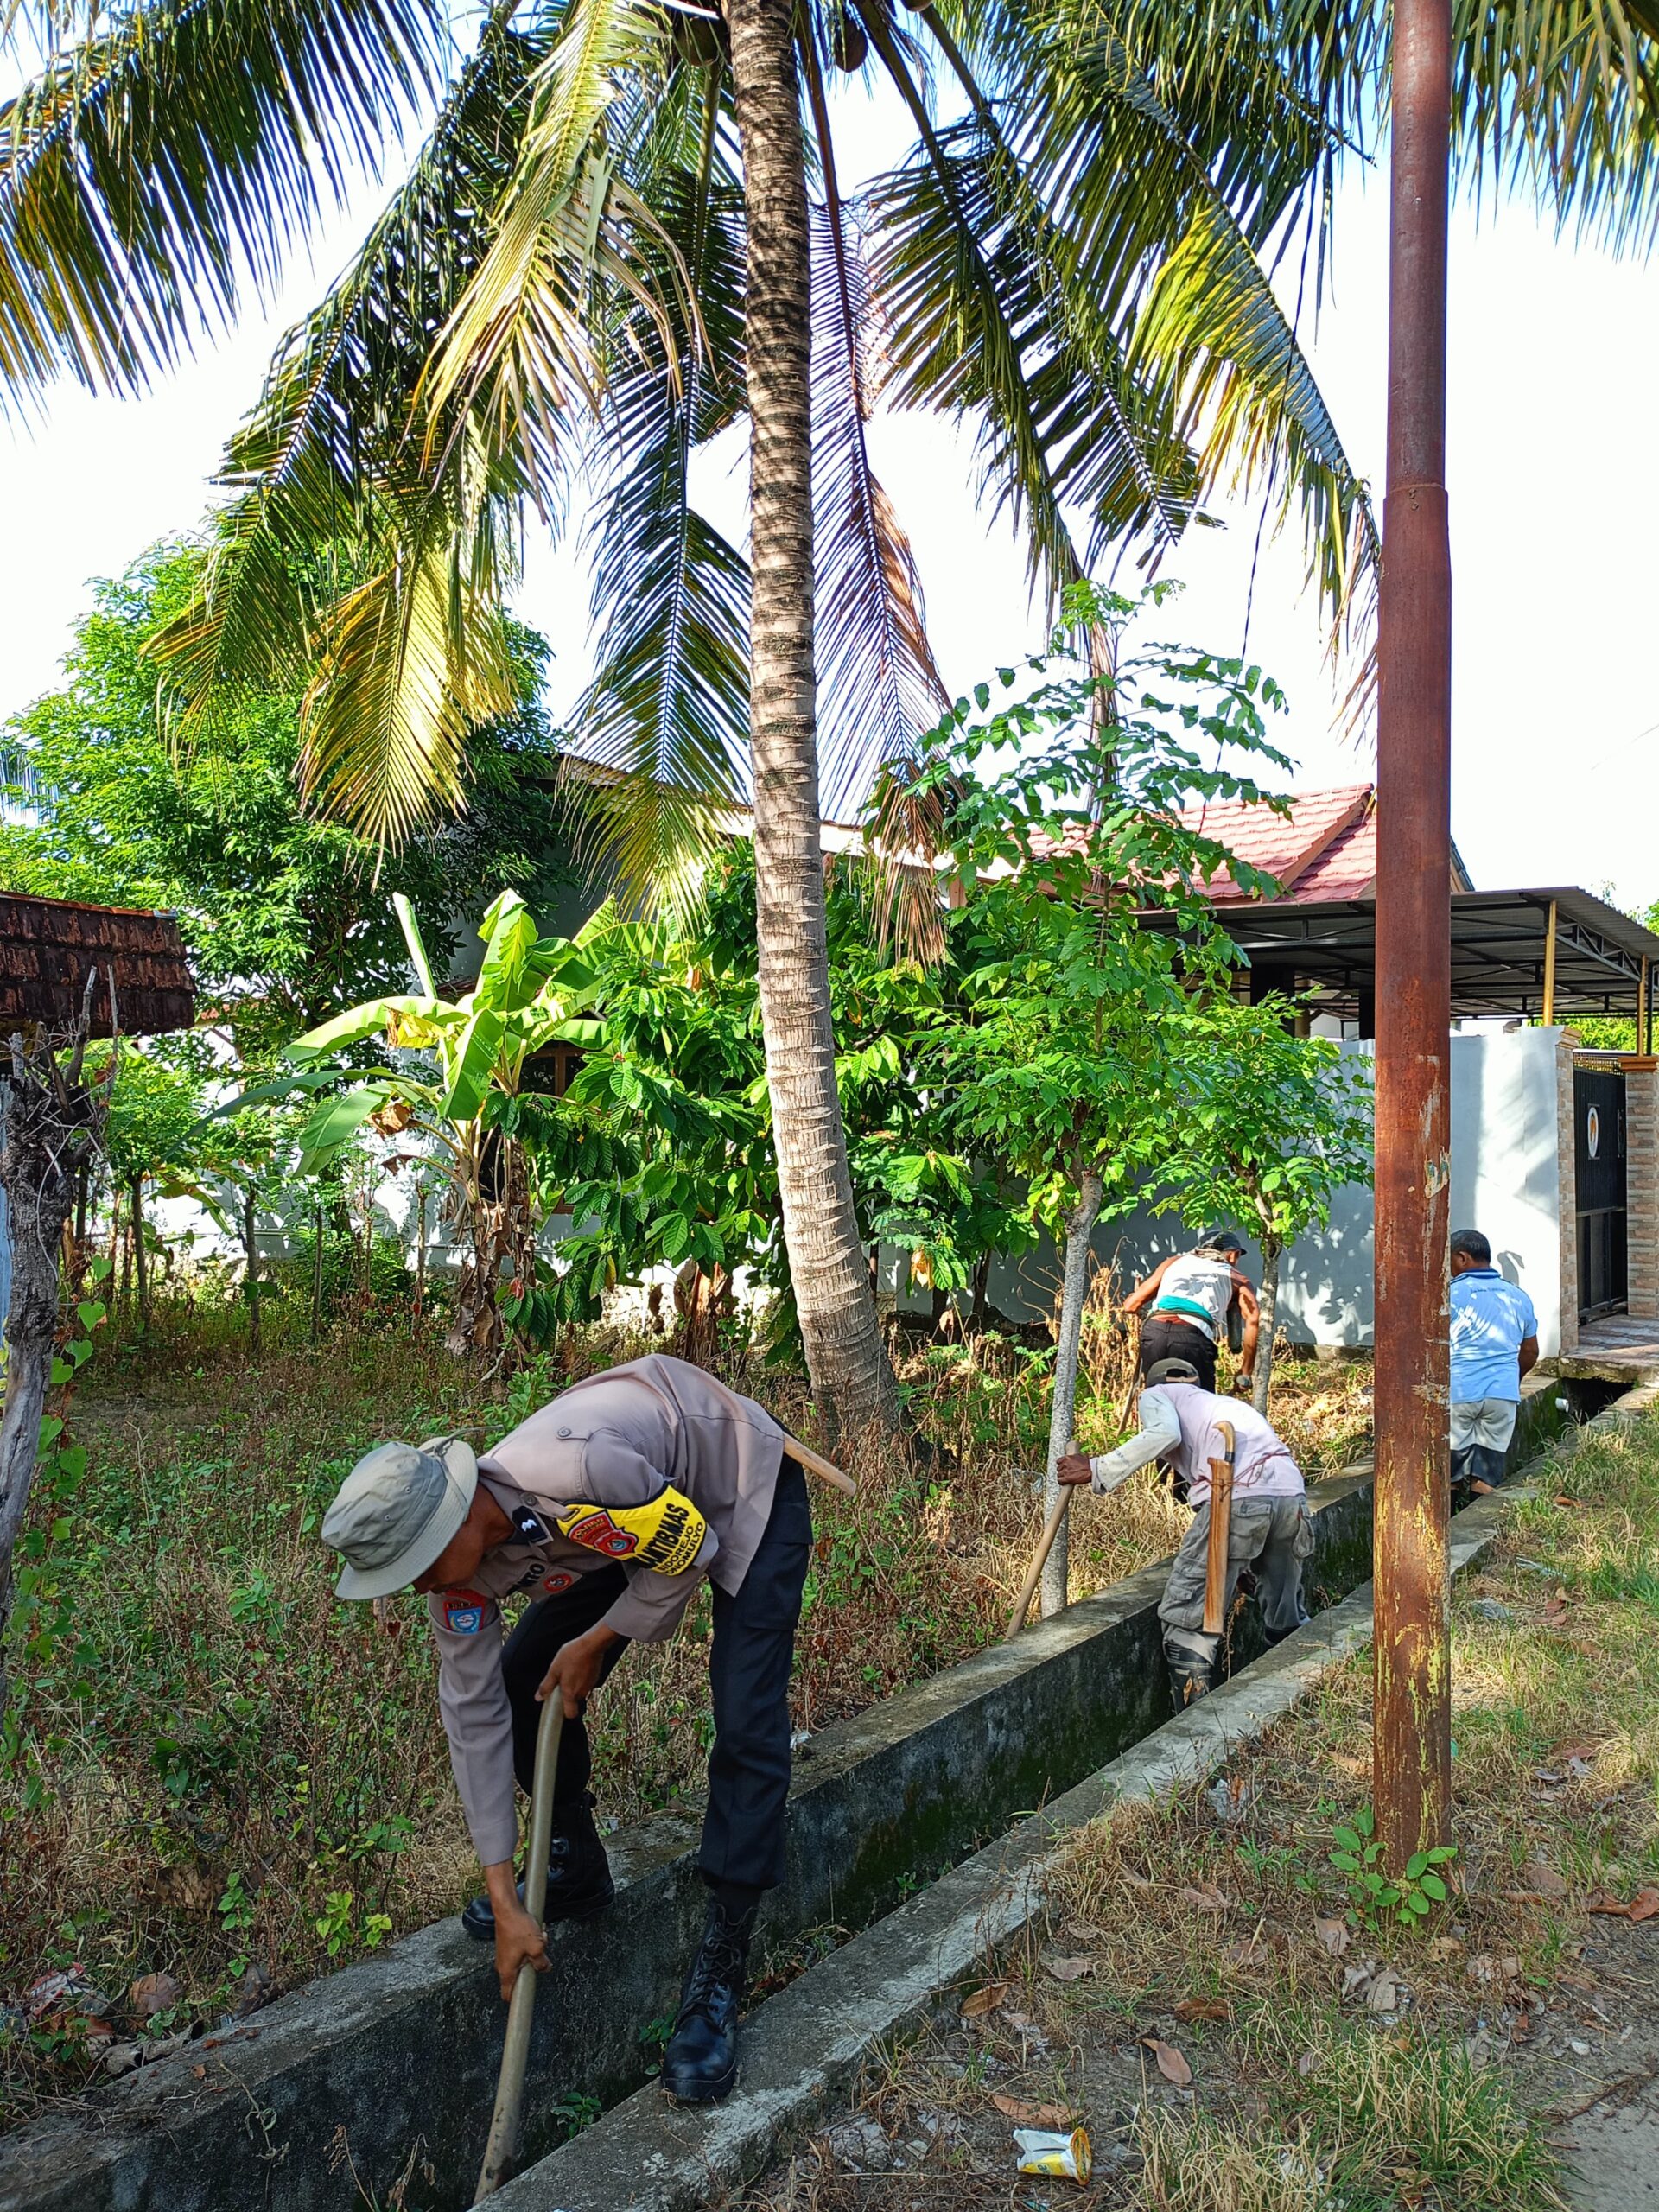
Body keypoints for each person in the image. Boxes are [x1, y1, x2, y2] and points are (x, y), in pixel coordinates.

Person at [319, 1353, 810, 2106]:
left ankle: (722, 1963)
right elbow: (475, 1712)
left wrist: (599, 1639)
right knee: (520, 1679)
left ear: (454, 1516)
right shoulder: (458, 1577)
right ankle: (574, 1867)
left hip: (742, 1489)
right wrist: (503, 1890)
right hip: (621, 1533)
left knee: (746, 1721)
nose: (418, 1588)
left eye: (417, 1567)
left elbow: (689, 1547)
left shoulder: (578, 1469)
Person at [1058, 1356, 1312, 1704]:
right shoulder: (1223, 1405)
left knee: (1187, 1619)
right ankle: (1293, 1699)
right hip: (1292, 1498)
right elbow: (1262, 1494)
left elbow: (1164, 1433)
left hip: (1235, 1494)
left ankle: (1201, 1729)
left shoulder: (1156, 1394)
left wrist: (1097, 1468)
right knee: (1284, 1610)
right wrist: (1235, 1563)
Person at [1449, 1229, 1538, 1506]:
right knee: (1487, 1476)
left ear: (1462, 1257)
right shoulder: (1518, 1296)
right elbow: (1531, 1350)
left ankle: (1447, 1535)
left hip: (1459, 1394)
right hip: (1502, 1395)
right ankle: (1478, 1529)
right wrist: (1513, 1381)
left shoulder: (1449, 1295)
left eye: (1449, 1260)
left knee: (1447, 1476)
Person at [1122, 1230, 1261, 1398]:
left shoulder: (1173, 1263)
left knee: (1156, 1400)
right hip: (1192, 1338)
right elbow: (1253, 1320)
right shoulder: (1238, 1279)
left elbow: (1130, 1306)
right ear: (1233, 1255)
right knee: (1201, 1405)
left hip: (1154, 1332)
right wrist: (1246, 1372)